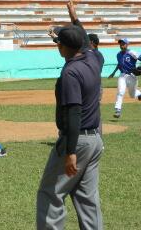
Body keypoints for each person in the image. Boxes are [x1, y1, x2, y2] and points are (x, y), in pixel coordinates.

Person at [36, 24, 103, 229]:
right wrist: (74, 19)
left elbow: (74, 112)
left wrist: (70, 151)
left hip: (77, 141)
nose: (57, 46)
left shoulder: (70, 72)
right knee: (87, 198)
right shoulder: (93, 59)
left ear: (63, 47)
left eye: (59, 43)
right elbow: (81, 38)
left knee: (50, 193)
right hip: (95, 141)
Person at [108, 38, 141, 118]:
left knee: (132, 95)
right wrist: (113, 73)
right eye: (120, 44)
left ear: (127, 44)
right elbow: (119, 64)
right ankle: (118, 110)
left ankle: (139, 94)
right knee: (120, 92)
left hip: (132, 76)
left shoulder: (132, 53)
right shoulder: (118, 54)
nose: (121, 45)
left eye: (123, 44)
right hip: (122, 76)